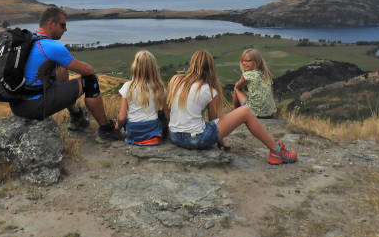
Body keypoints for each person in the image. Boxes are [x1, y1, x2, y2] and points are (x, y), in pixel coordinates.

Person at [9, 6, 123, 142]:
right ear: (51, 23)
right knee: (90, 80)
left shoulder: (30, 40)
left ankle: (77, 116)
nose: (65, 29)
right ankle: (106, 131)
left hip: (17, 106)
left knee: (61, 69)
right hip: (34, 107)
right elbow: (87, 70)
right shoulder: (52, 46)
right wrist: (93, 74)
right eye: (63, 25)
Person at [167, 50, 297, 165]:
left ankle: (276, 151)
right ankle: (276, 151)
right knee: (245, 111)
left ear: (192, 64)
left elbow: (169, 108)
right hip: (197, 140)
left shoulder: (175, 80)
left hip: (174, 136)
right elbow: (214, 121)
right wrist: (221, 142)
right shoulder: (211, 91)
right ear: (211, 67)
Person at [115, 50, 168, 146]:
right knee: (160, 114)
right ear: (154, 68)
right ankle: (156, 136)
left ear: (135, 67)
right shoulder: (160, 87)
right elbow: (167, 115)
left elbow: (121, 117)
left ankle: (133, 139)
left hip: (133, 131)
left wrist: (116, 128)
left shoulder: (127, 86)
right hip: (153, 129)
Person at [231, 48, 277, 118]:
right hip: (270, 113)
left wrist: (243, 75)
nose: (244, 63)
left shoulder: (247, 75)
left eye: (248, 61)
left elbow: (237, 86)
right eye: (243, 61)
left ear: (257, 61)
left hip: (254, 113)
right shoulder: (266, 74)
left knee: (236, 89)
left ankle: (235, 114)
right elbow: (270, 95)